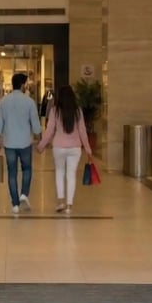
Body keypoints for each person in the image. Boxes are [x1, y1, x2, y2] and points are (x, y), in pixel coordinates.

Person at [37, 85, 93, 213]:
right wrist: (88, 150)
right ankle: (69, 205)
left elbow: (50, 131)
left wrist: (41, 146)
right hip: (75, 148)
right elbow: (83, 132)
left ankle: (61, 202)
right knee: (71, 175)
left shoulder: (55, 111)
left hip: (59, 147)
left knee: (60, 173)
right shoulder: (78, 111)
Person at [0, 73, 41, 213]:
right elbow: (35, 122)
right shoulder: (29, 102)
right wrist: (38, 136)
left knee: (12, 172)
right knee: (27, 169)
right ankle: (24, 194)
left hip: (9, 143)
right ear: (22, 85)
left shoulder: (4, 101)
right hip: (25, 142)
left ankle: (15, 204)